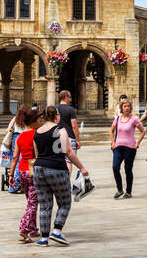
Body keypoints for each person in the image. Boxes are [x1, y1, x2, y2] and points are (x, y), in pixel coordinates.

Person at [32, 103, 90, 246]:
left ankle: (44, 238)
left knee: (45, 205)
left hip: (39, 168)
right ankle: (57, 231)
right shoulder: (60, 130)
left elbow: (37, 154)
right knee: (64, 202)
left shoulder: (37, 132)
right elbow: (68, 152)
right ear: (56, 116)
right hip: (56, 168)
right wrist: (81, 167)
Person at [11, 106, 39, 243]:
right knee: (33, 204)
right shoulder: (36, 135)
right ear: (33, 121)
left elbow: (15, 157)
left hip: (21, 170)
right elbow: (38, 155)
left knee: (30, 200)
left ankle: (33, 228)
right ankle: (24, 228)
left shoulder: (20, 136)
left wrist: (11, 175)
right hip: (32, 171)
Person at [110, 99, 145, 198]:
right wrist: (113, 142)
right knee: (115, 167)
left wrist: (137, 143)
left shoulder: (134, 119)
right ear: (121, 108)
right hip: (118, 147)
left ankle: (128, 191)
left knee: (128, 169)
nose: (127, 108)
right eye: (125, 106)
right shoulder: (117, 118)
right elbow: (111, 131)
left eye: (128, 106)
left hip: (130, 148)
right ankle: (119, 189)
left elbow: (143, 131)